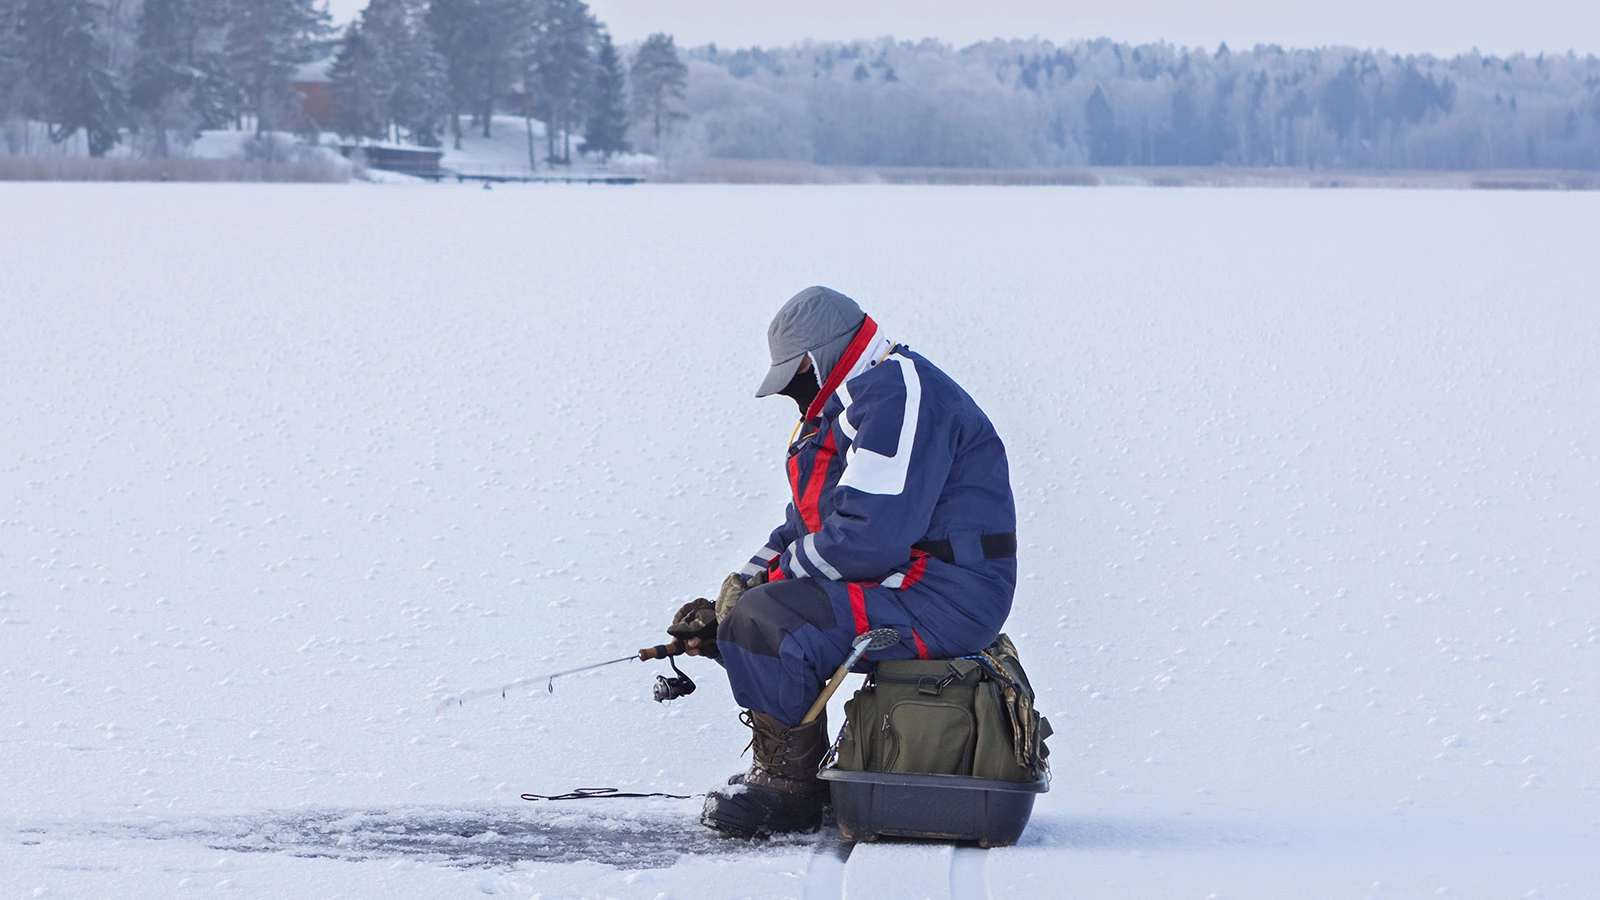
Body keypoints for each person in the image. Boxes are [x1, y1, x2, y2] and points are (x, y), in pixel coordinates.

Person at [667, 286, 1018, 838]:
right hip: (911, 585)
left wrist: (762, 599)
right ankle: (785, 771)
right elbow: (807, 525)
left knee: (773, 619)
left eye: (791, 379)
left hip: (946, 594)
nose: (792, 394)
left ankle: (789, 791)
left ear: (812, 360)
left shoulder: (898, 395)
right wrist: (738, 590)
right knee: (760, 613)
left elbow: (867, 539)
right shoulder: (856, 401)